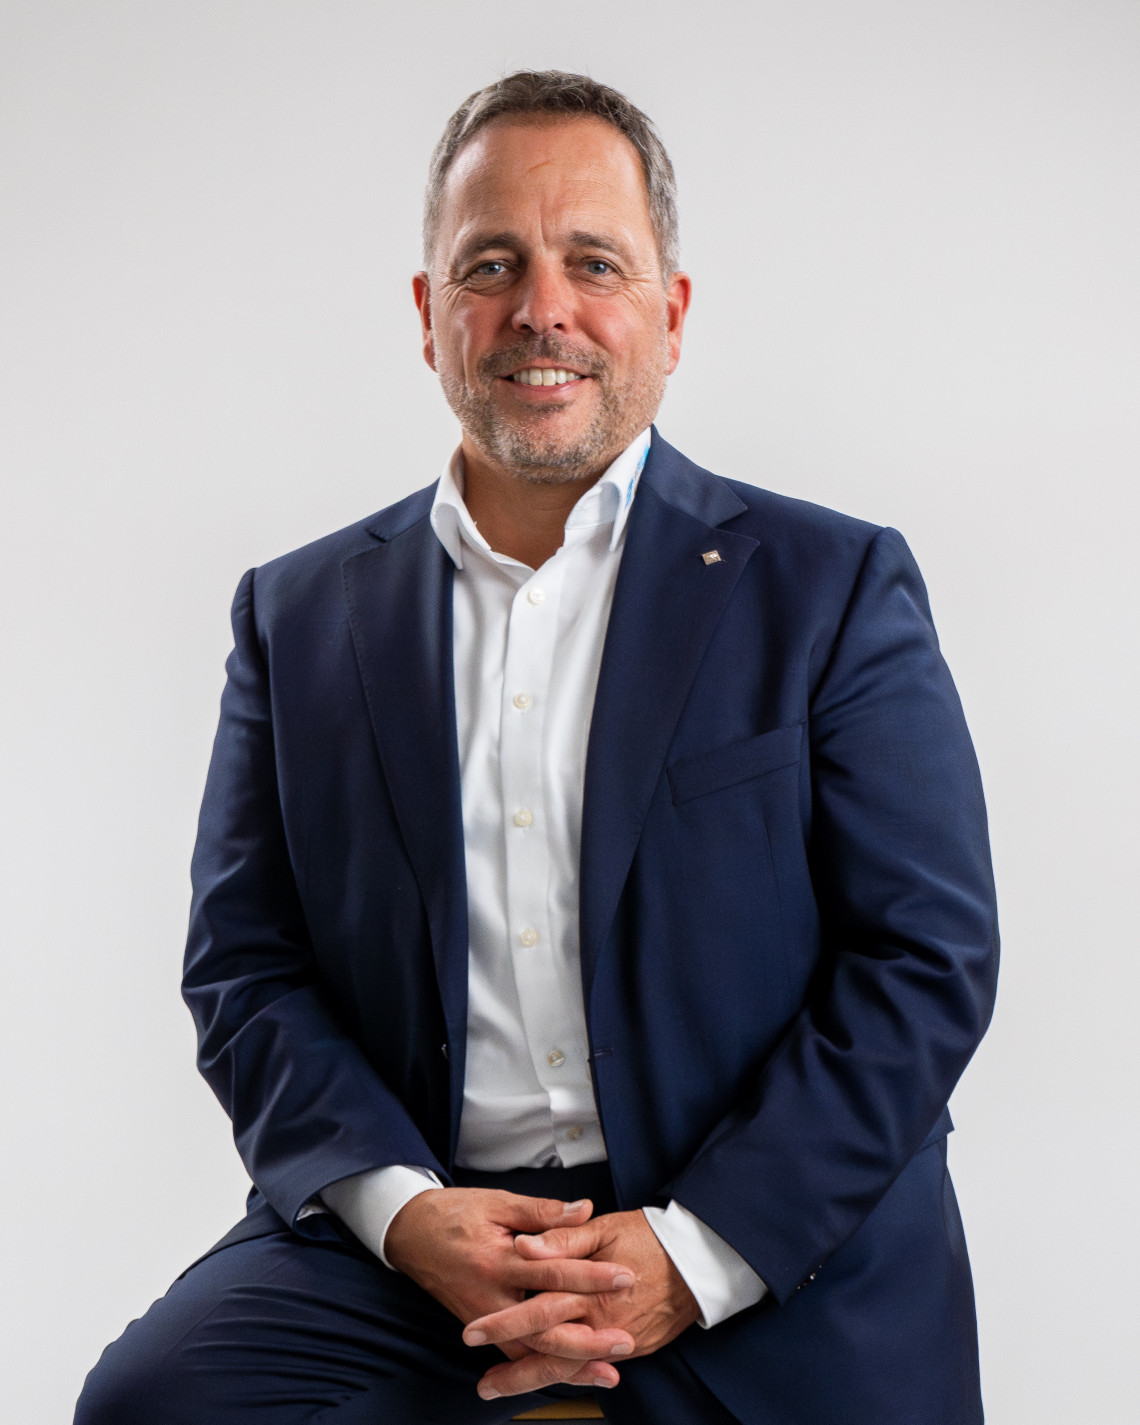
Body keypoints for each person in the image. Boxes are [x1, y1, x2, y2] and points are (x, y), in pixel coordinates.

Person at [75, 71, 999, 1425]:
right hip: (420, 1242)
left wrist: (694, 1253)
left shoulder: (831, 587)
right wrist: (407, 1218)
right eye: (492, 264)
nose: (541, 309)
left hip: (770, 1236)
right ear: (429, 313)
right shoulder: (297, 615)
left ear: (672, 314)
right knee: (148, 1408)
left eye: (595, 263)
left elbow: (925, 959)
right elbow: (247, 965)